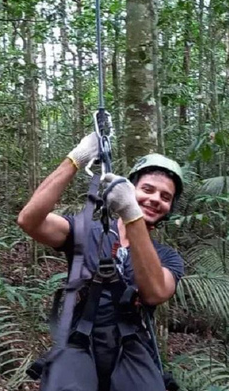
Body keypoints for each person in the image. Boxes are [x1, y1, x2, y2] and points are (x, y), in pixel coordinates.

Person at [17, 132, 185, 391]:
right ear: (131, 188)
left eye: (165, 197)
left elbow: (154, 293)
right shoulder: (86, 231)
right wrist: (76, 158)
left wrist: (130, 212)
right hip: (78, 342)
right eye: (147, 190)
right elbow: (30, 220)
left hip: (132, 347)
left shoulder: (166, 257)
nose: (155, 200)